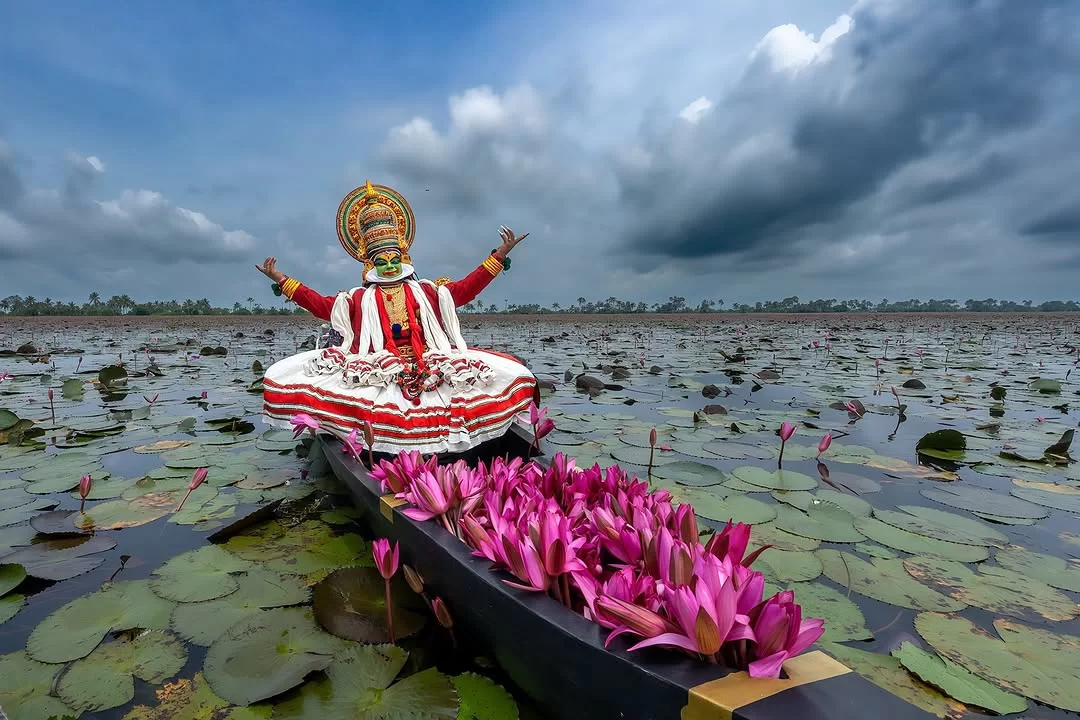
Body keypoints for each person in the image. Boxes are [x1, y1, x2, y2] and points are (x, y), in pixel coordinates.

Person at [256, 181, 538, 455]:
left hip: (429, 359)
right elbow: (319, 304)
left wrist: (499, 256)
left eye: (394, 260)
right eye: (382, 262)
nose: (390, 267)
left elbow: (465, 289)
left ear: (403, 257)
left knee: (508, 376)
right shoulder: (356, 299)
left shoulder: (428, 292)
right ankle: (388, 453)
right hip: (378, 363)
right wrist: (281, 279)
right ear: (370, 263)